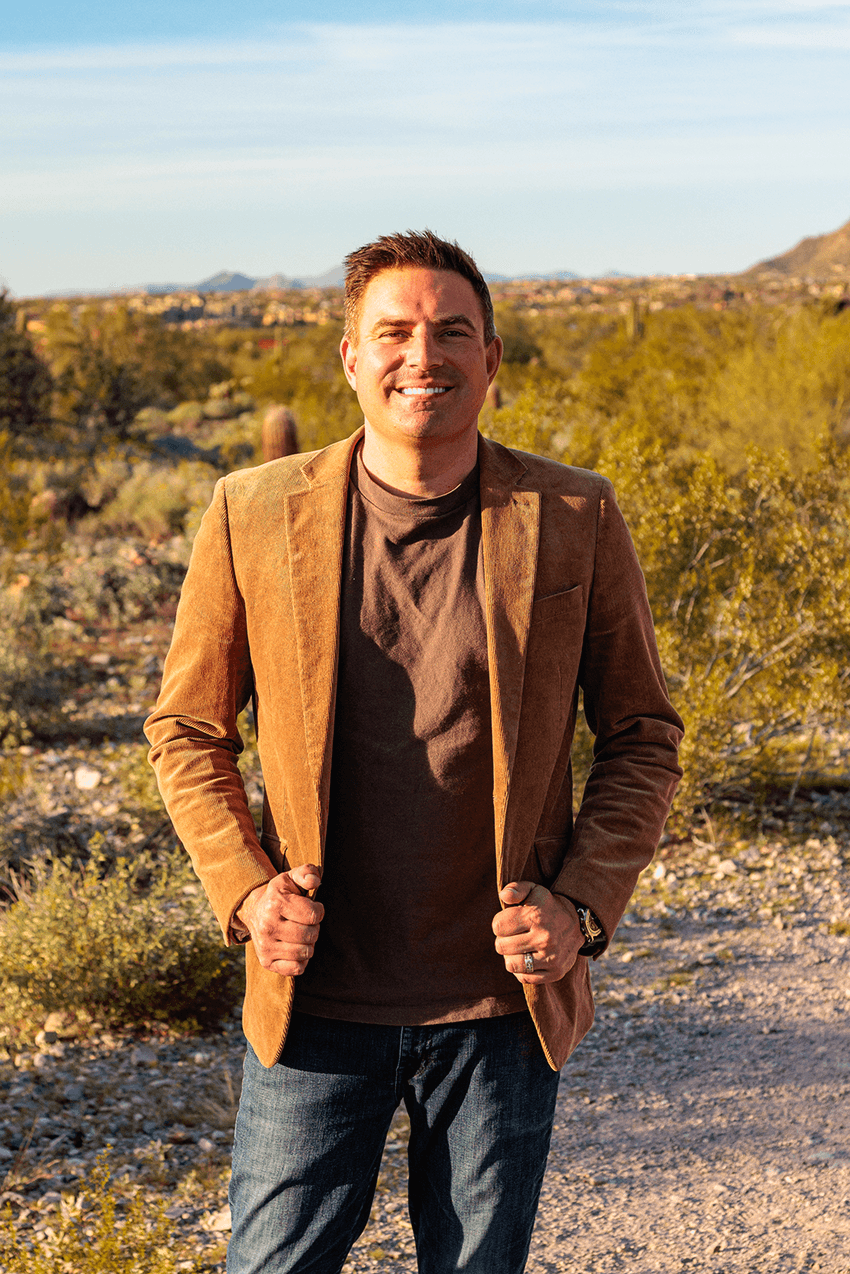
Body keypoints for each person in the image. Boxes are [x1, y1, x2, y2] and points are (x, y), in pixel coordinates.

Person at [145, 230, 683, 1274]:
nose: (420, 354)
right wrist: (249, 892)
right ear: (350, 356)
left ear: (490, 360)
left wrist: (579, 906)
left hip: (499, 1001)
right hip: (314, 993)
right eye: (392, 331)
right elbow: (187, 728)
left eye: (450, 331)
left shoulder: (572, 514)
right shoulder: (250, 512)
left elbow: (643, 734)